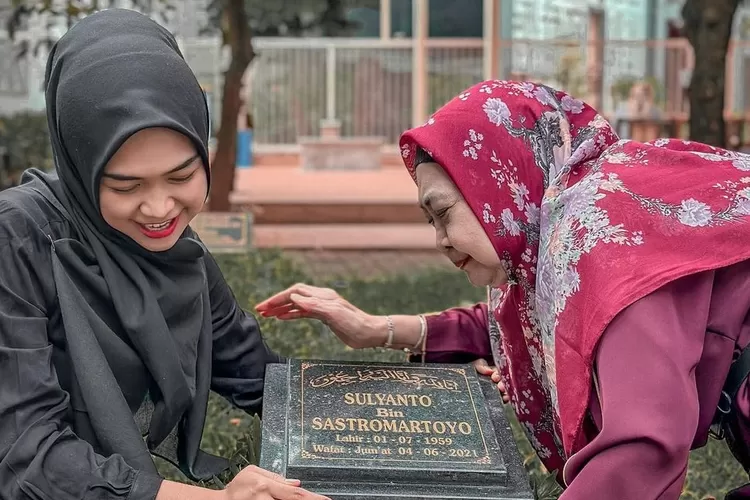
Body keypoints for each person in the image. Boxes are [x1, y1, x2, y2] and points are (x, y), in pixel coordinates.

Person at [256, 79, 750, 499]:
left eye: (444, 212)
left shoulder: (603, 231)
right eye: (430, 221)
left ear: (497, 181)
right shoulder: (562, 231)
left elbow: (643, 445)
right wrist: (376, 330)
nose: (441, 241)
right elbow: (522, 323)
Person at [0, 9, 329, 500]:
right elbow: (26, 456)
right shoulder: (16, 240)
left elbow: (254, 373)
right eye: (126, 185)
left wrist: (423, 395)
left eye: (181, 177)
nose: (159, 208)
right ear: (79, 163)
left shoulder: (178, 251)